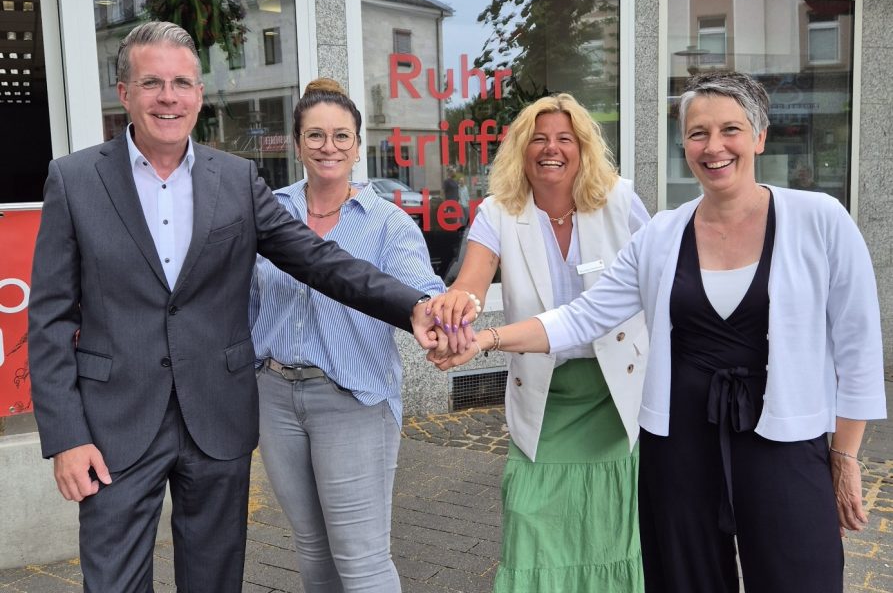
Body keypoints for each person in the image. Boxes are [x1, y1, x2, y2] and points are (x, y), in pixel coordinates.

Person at [431, 71, 887, 593]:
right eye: (698, 133)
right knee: (685, 579)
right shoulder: (664, 234)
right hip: (681, 444)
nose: (714, 147)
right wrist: (484, 340)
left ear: (759, 136)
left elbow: (857, 347)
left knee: (800, 576)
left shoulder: (820, 220)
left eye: (730, 130)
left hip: (783, 441)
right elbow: (583, 316)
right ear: (684, 145)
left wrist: (845, 455)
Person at [27, 22, 438, 593]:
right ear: (124, 93)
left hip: (216, 419)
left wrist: (413, 307)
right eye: (152, 82)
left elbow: (317, 260)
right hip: (113, 425)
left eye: (181, 83)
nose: (168, 97)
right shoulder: (74, 180)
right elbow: (49, 319)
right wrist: (66, 436)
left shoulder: (236, 179)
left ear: (199, 95)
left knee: (215, 580)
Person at [434, 93, 650, 592]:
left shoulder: (620, 202)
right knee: (529, 520)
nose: (551, 149)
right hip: (545, 397)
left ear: (583, 148)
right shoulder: (498, 212)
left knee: (609, 532)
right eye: (539, 139)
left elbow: (661, 277)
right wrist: (456, 307)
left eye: (564, 139)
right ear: (521, 150)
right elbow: (472, 281)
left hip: (614, 396)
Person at [250, 78, 444, 592]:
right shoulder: (269, 213)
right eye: (315, 135)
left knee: (361, 561)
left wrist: (444, 320)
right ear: (297, 145)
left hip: (352, 400)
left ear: (358, 146)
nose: (328, 147)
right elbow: (246, 301)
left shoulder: (387, 223)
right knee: (312, 548)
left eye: (341, 136)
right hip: (275, 398)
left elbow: (422, 294)